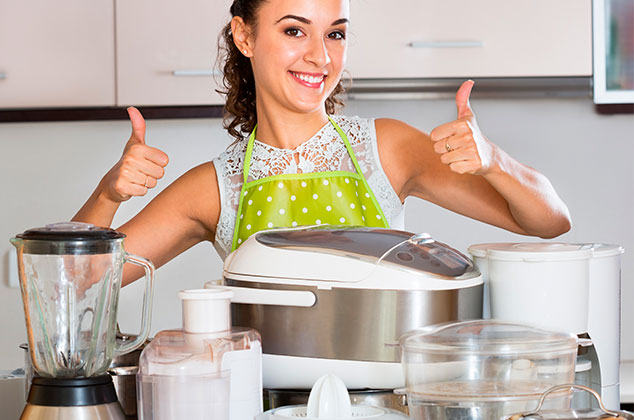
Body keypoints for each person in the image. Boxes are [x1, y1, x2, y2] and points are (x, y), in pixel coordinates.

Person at [73, 0, 571, 285]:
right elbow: (79, 286)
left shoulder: (388, 148)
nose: (319, 56)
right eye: (295, 30)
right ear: (244, 37)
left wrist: (494, 162)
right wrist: (107, 195)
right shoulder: (215, 186)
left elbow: (549, 221)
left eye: (335, 35)